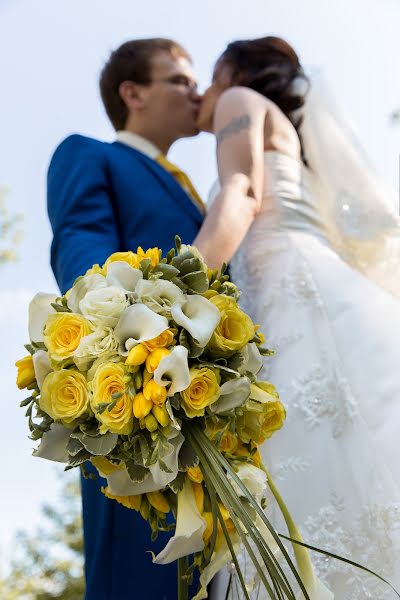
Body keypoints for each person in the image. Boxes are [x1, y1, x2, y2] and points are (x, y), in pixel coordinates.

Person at [194, 36, 400, 598]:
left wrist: (172, 289)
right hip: (297, 290)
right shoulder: (288, 129)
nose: (204, 93)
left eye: (210, 77)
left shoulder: (239, 100)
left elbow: (241, 192)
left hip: (293, 295)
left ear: (234, 72)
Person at [47, 38, 204, 600]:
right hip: (137, 409)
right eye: (181, 80)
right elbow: (83, 263)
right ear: (133, 93)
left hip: (216, 403)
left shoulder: (197, 192)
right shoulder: (89, 154)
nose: (197, 91)